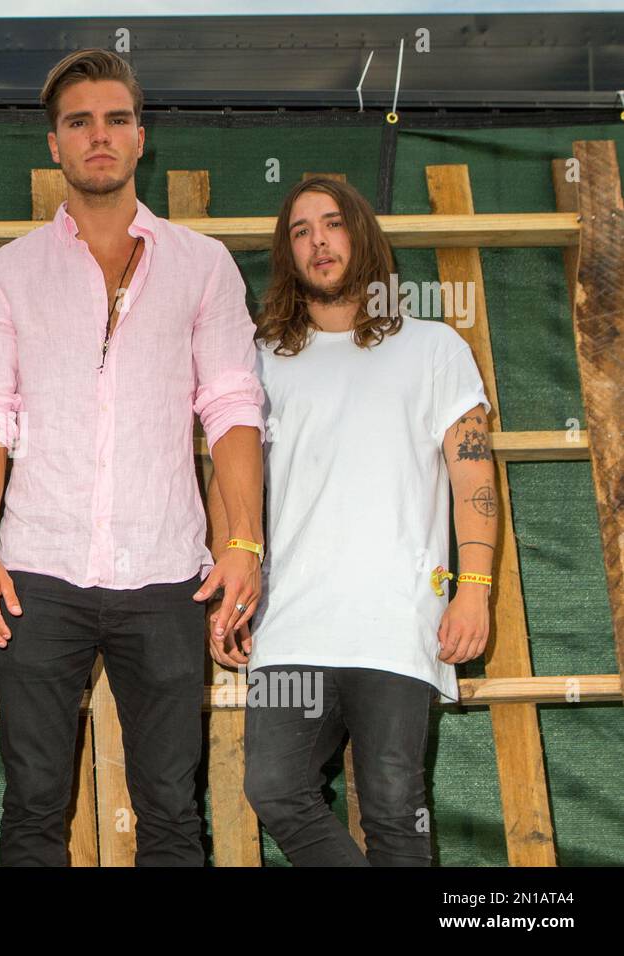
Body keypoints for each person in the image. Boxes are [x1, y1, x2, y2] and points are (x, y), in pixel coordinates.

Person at [0, 49, 266, 866]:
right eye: (79, 122)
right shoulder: (5, 273)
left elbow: (231, 407)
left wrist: (244, 543)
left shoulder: (204, 265)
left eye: (116, 119)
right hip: (37, 572)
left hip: (166, 572)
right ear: (54, 144)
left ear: (140, 138)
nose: (100, 135)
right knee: (31, 807)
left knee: (170, 807)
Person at [207, 177, 496, 866]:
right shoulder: (258, 359)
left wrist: (476, 586)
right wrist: (231, 594)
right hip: (287, 626)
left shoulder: (434, 348)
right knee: (274, 788)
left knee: (396, 807)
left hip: (395, 625)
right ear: (288, 253)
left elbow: (474, 474)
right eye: (301, 230)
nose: (318, 241)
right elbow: (228, 480)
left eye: (331, 224)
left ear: (360, 234)